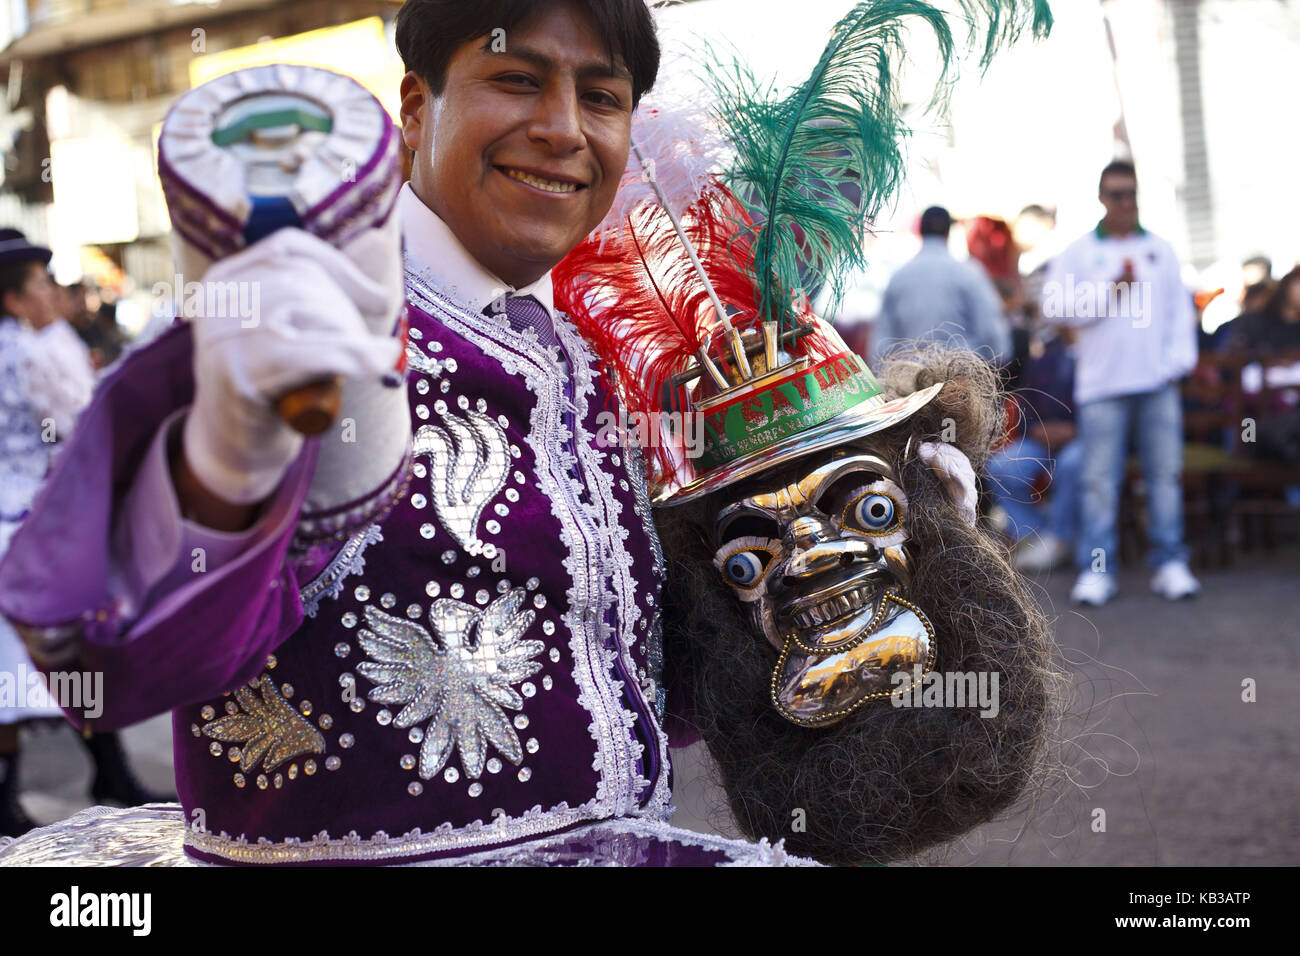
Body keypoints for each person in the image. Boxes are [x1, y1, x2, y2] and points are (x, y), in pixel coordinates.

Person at [0, 1, 816, 867]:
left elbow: (630, 685)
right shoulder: (304, 329)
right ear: (417, 107)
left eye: (602, 97)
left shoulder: (582, 353)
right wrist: (238, 448)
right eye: (516, 79)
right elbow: (119, 654)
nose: (563, 129)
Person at [0, 229, 164, 837]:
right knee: (77, 652)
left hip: (12, 526)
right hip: (33, 532)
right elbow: (81, 425)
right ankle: (108, 773)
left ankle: (71, 782)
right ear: (16, 299)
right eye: (41, 284)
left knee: (17, 674)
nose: (54, 294)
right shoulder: (35, 351)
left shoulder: (19, 346)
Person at [1044, 160, 1200, 606]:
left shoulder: (1161, 249)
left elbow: (1179, 314)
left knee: (1164, 477)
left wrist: (1175, 365)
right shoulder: (1076, 252)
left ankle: (1170, 561)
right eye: (1116, 194)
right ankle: (1098, 570)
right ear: (1101, 198)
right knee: (1098, 481)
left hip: (1156, 384)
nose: (1125, 202)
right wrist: (1110, 290)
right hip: (1102, 386)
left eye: (1131, 193)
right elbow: (1056, 309)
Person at [870, 205, 1011, 368]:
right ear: (947, 232)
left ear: (921, 231)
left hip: (912, 380)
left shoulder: (899, 277)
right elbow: (991, 331)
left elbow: (880, 342)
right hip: (961, 377)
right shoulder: (968, 272)